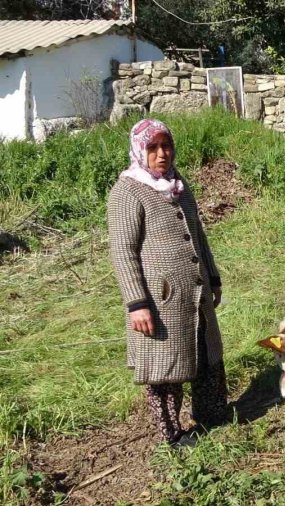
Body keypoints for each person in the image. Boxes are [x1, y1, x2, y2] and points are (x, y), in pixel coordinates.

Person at [107, 118, 229, 447]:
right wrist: (137, 304)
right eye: (153, 148)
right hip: (161, 300)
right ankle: (172, 435)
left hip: (196, 290)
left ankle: (213, 414)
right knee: (165, 365)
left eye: (166, 146)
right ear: (139, 150)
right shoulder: (127, 191)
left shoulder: (178, 184)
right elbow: (122, 252)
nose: (162, 154)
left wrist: (213, 277)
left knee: (206, 351)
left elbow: (198, 235)